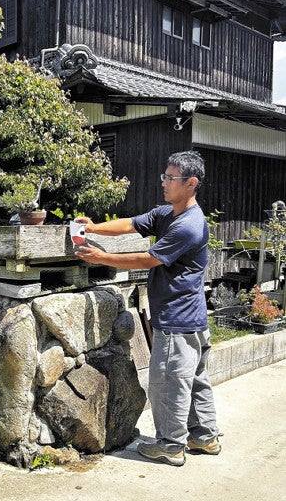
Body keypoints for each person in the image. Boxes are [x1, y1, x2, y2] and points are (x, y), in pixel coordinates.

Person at [74, 150, 220, 466]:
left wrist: (102, 258)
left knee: (167, 382)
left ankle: (170, 445)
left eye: (171, 178)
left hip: (177, 319)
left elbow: (147, 259)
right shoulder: (168, 213)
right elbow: (133, 223)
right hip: (192, 316)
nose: (164, 182)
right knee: (193, 380)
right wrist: (94, 227)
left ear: (191, 183)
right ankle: (204, 438)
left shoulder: (189, 225)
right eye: (164, 176)